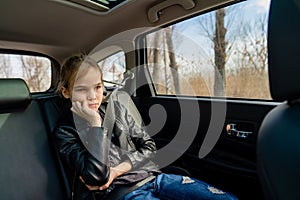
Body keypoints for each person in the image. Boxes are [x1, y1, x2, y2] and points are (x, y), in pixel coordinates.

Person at [54, 54, 238, 200]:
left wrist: (118, 170)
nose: (93, 96)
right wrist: (95, 125)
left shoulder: (115, 110)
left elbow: (149, 147)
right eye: (81, 89)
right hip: (122, 193)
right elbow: (96, 177)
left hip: (154, 178)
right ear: (66, 92)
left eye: (97, 87)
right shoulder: (65, 131)